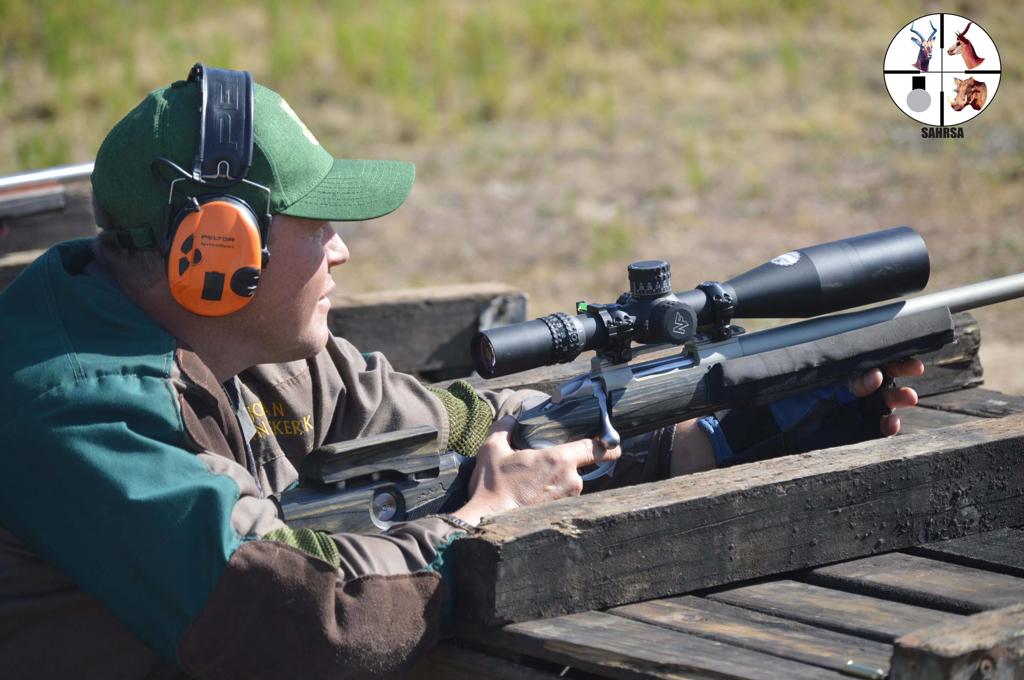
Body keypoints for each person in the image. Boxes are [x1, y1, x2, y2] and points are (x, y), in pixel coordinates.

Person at [0, 66, 922, 679]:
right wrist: (478, 523)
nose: (342, 250)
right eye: (318, 226)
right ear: (217, 252)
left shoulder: (243, 353)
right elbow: (304, 620)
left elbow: (468, 425)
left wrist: (710, 435)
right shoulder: (83, 408)